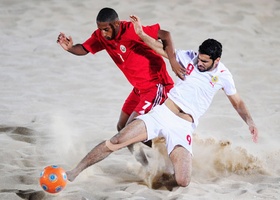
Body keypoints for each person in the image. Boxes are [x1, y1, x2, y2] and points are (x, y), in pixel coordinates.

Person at [65, 15, 258, 190]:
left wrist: (249, 122)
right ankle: (74, 172)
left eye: (205, 62)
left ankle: (159, 176)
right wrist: (141, 34)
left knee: (183, 180)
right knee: (117, 139)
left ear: (217, 61)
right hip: (162, 114)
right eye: (199, 58)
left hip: (184, 126)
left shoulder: (224, 76)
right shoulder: (189, 58)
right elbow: (160, 48)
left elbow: (238, 102)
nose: (199, 63)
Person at [56, 8, 174, 160]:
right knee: (121, 127)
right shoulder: (101, 36)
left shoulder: (131, 30)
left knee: (130, 130)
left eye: (106, 29)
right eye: (100, 29)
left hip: (156, 85)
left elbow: (165, 35)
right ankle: (147, 167)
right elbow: (84, 49)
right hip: (139, 89)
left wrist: (173, 62)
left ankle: (168, 154)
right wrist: (70, 48)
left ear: (116, 24)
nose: (103, 33)